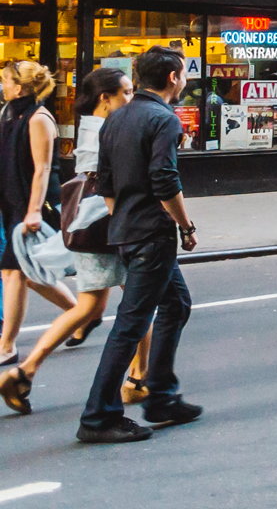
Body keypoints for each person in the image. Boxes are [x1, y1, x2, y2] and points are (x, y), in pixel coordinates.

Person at [0, 69, 146, 415]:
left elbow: (50, 171)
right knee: (137, 301)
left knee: (90, 303)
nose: (131, 98)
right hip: (108, 227)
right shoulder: (107, 131)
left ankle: (22, 367)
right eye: (126, 92)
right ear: (105, 98)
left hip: (82, 222)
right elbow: (107, 184)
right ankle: (139, 378)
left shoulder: (72, 124)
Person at [78, 46, 200, 443]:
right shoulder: (164, 119)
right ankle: (98, 417)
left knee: (176, 304)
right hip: (152, 234)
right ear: (172, 78)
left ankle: (161, 396)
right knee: (130, 324)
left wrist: (124, 220)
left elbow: (106, 182)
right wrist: (185, 226)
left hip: (127, 230)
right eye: (183, 74)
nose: (184, 80)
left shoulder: (117, 117)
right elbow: (165, 180)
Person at [0, 60, 78, 369]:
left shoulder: (39, 118)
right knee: (29, 275)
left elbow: (43, 169)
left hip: (33, 205)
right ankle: (80, 313)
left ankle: (6, 346)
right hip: (12, 201)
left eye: (6, 81)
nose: (2, 86)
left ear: (19, 87)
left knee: (13, 272)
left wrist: (32, 211)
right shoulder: (10, 114)